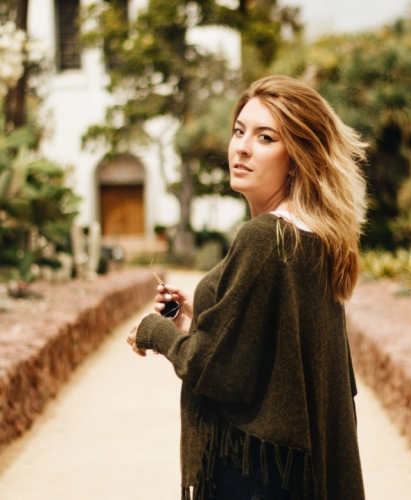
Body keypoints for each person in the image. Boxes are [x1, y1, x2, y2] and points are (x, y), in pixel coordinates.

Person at [127, 75, 367, 500]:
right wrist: (189, 317)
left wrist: (154, 330)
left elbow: (218, 372)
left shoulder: (264, 238)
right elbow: (266, 351)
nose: (241, 147)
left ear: (296, 156)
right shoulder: (314, 238)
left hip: (254, 474)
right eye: (239, 131)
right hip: (294, 477)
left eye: (266, 137)